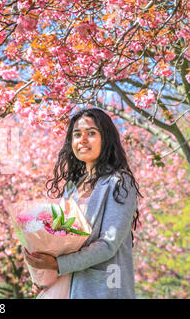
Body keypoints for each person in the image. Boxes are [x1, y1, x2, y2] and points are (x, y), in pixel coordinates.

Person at [24, 107, 142, 299]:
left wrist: (57, 265)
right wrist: (44, 271)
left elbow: (108, 244)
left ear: (106, 138)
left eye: (91, 133)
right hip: (64, 282)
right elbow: (61, 241)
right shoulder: (72, 187)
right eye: (77, 134)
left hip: (100, 287)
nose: (83, 140)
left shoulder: (118, 182)